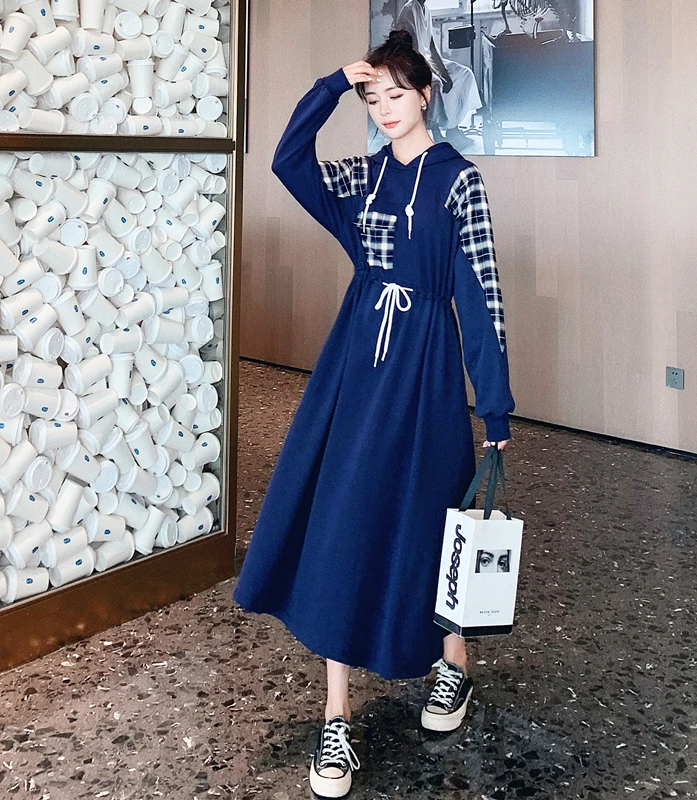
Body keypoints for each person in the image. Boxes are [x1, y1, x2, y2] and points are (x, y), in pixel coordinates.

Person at [234, 29, 514, 799]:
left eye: (397, 93)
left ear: (425, 93)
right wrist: (330, 85)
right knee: (342, 520)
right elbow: (288, 160)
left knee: (431, 519)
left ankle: (452, 664)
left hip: (424, 370)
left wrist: (494, 405)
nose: (385, 108)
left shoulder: (458, 181)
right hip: (355, 367)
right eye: (373, 97)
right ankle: (337, 716)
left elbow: (481, 296)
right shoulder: (362, 176)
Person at [396, 0, 482, 148]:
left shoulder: (426, 10)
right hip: (412, 62)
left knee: (464, 74)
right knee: (436, 83)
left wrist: (444, 72)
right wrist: (439, 75)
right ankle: (436, 132)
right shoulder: (409, 11)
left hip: (427, 59)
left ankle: (453, 129)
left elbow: (431, 47)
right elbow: (411, 51)